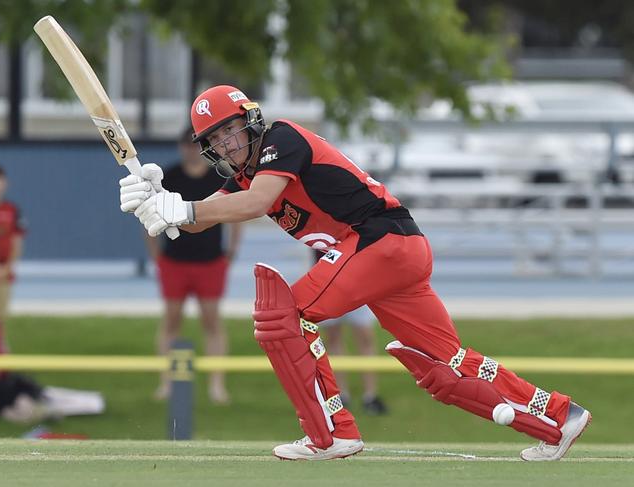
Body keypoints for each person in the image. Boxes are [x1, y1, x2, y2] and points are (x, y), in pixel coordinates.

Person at [118, 85, 591, 461]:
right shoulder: (244, 175)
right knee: (444, 370)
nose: (224, 143)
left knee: (286, 315)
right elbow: (217, 209)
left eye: (229, 131)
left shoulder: (280, 139)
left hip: (378, 241)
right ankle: (557, 418)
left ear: (251, 122)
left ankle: (331, 435)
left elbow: (255, 204)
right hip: (394, 251)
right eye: (214, 139)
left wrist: (184, 209)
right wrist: (161, 205)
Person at [145, 127, 242, 404]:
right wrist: (156, 255)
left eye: (195, 145)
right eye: (185, 145)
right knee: (172, 320)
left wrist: (232, 250)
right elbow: (150, 217)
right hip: (175, 260)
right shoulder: (169, 177)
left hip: (210, 260)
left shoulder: (219, 176)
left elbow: (237, 210)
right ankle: (166, 382)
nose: (190, 150)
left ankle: (217, 384)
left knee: (211, 321)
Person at [311, 250, 387, 415]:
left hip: (357, 280)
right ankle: (340, 395)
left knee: (365, 336)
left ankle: (371, 395)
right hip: (328, 281)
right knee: (333, 338)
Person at [0, 162, 25, 327]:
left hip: (4, 274)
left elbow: (17, 242)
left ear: (4, 184)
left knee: (0, 320)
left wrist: (5, 267)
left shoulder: (11, 210)